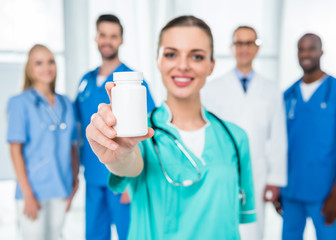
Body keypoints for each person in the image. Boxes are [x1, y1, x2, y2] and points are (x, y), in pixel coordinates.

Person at [86, 15, 256, 239]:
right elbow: (130, 163)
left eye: (196, 56)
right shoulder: (139, 133)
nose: (183, 65)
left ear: (211, 65)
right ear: (158, 61)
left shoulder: (236, 138)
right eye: (171, 54)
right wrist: (120, 154)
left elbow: (239, 219)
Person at [74, 14, 155, 240]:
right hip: (92, 177)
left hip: (122, 179)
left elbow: (147, 131)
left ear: (121, 40)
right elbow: (77, 128)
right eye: (103, 35)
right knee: (94, 235)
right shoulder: (85, 81)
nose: (107, 41)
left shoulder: (131, 82)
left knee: (128, 234)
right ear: (96, 38)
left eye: (113, 36)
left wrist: (131, 181)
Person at [202, 26, 287, 239]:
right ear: (232, 47)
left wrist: (275, 178)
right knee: (220, 224)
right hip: (221, 168)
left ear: (257, 48)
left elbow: (278, 136)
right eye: (239, 43)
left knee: (253, 228)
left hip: (258, 170)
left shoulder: (271, 89)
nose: (244, 48)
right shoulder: (212, 89)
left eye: (249, 43)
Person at [280, 33, 336, 240]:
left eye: (311, 48)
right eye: (301, 49)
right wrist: (277, 184)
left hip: (326, 193)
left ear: (321, 52)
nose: (306, 54)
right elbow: (278, 145)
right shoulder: (288, 95)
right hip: (291, 191)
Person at [7, 44, 79, 240]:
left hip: (61, 185)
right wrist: (27, 194)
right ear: (30, 69)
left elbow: (72, 145)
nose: (46, 67)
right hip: (34, 189)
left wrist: (75, 180)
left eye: (50, 62)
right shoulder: (19, 103)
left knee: (56, 235)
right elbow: (15, 150)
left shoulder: (66, 103)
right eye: (39, 63)